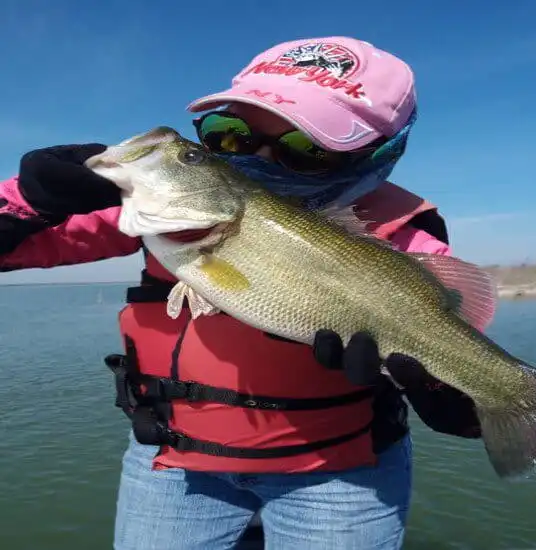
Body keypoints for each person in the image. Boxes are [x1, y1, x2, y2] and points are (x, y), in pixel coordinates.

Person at [0, 36, 482, 550]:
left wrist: (444, 392)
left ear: (378, 152)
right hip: (174, 464)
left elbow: (461, 352)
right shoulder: (168, 211)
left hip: (341, 474)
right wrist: (31, 199)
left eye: (306, 148)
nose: (258, 158)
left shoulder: (407, 239)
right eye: (230, 136)